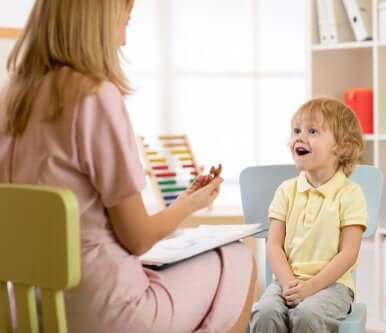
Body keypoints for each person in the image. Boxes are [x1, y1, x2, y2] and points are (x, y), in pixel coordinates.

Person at [0, 0, 255, 332]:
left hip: (29, 311)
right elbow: (137, 239)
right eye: (125, 23)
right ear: (94, 24)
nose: (123, 40)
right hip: (103, 311)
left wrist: (180, 203)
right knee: (238, 259)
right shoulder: (93, 96)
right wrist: (190, 205)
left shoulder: (9, 97)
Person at [249, 97, 368, 333]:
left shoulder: (350, 193)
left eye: (312, 131)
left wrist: (311, 287)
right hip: (286, 281)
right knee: (265, 314)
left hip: (333, 286)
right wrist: (288, 284)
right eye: (296, 131)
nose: (299, 138)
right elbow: (274, 245)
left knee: (307, 315)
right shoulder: (286, 190)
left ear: (341, 147)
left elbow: (349, 253)